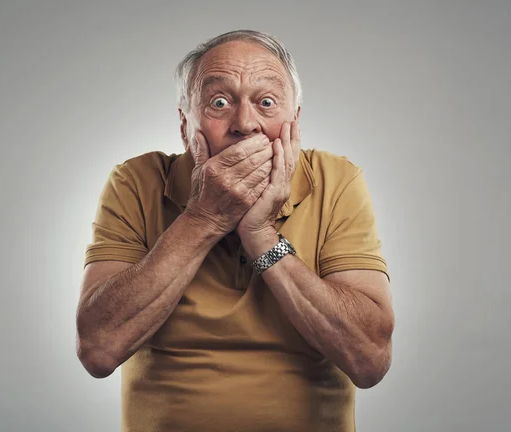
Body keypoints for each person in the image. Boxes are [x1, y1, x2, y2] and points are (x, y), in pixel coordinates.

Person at [76, 29, 394, 432]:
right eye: (219, 102)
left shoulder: (336, 179)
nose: (246, 124)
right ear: (184, 123)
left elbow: (370, 360)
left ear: (294, 122)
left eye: (266, 103)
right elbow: (98, 350)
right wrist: (203, 219)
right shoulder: (136, 181)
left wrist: (261, 235)